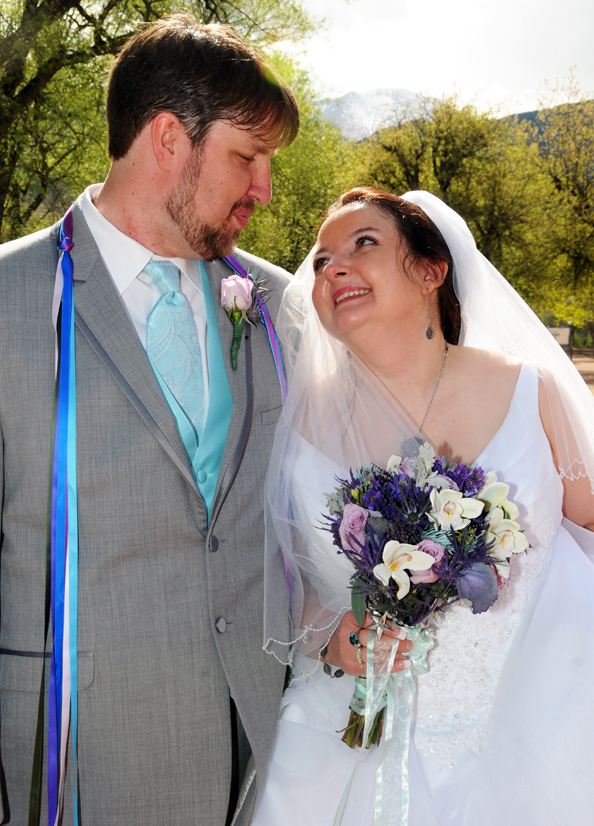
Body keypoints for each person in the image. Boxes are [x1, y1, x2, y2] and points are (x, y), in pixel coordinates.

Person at [0, 13, 299, 825]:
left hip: (264, 765)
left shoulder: (275, 305)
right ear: (168, 138)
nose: (265, 189)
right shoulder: (3, 303)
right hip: (71, 768)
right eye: (247, 157)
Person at [254, 187, 594, 825]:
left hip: (550, 711)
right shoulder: (294, 420)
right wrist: (331, 636)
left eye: (364, 244)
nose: (335, 269)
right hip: (359, 728)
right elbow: (274, 567)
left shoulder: (530, 390)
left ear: (431, 271)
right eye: (322, 260)